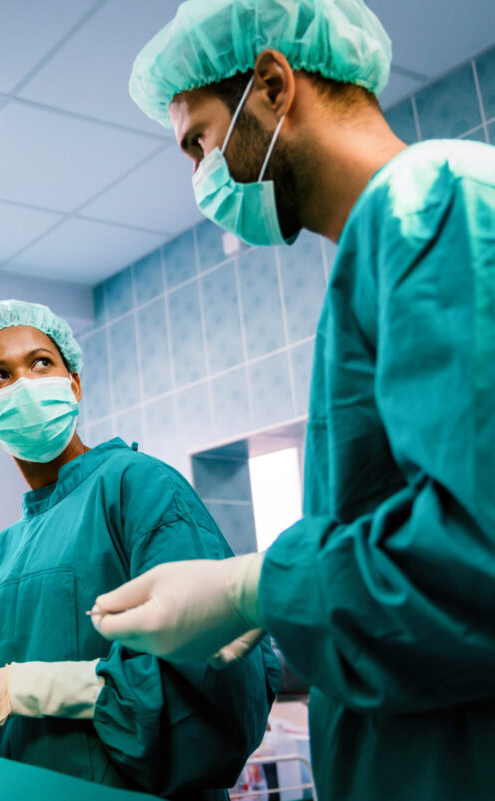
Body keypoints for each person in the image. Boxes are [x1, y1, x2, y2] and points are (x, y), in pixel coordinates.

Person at [91, 1, 495, 799]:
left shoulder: (432, 203)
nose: (202, 176)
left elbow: (478, 550)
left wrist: (259, 585)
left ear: (273, 84)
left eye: (200, 140)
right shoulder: (385, 245)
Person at [0, 300, 279, 800]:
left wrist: (19, 688)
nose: (24, 383)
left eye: (41, 362)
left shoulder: (138, 485)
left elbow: (213, 682)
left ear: (74, 384)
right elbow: (19, 735)